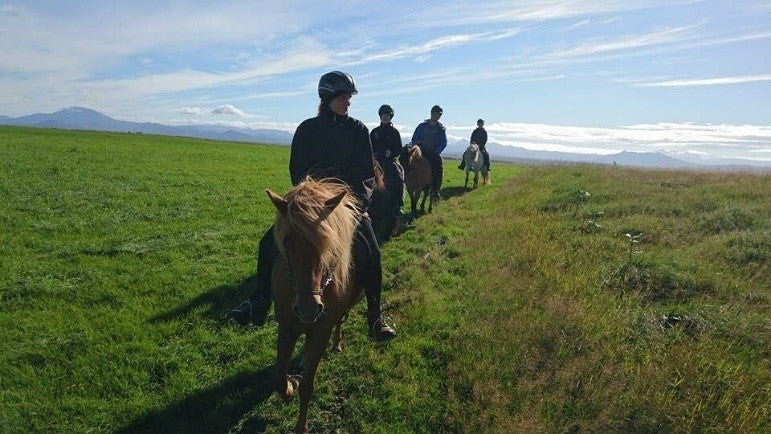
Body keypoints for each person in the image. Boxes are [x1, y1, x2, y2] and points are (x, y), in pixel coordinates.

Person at [229, 71, 397, 342]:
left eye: (349, 97)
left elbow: (366, 174)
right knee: (267, 243)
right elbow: (298, 170)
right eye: (343, 97)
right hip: (312, 207)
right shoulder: (307, 129)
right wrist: (308, 201)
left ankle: (375, 317)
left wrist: (356, 205)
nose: (348, 102)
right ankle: (258, 301)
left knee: (372, 252)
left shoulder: (358, 130)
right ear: (327, 97)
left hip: (348, 207)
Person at [370, 104, 404, 230]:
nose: (385, 117)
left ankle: (397, 204)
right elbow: (369, 147)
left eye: (387, 115)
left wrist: (391, 153)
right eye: (383, 115)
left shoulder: (394, 132)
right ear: (380, 116)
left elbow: (399, 149)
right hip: (376, 162)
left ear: (391, 117)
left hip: (389, 162)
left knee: (398, 178)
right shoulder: (374, 132)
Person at [410, 105, 447, 198]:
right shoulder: (422, 126)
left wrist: (436, 152)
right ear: (431, 113)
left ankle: (436, 189)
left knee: (438, 166)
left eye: (439, 115)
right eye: (435, 114)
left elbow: (443, 142)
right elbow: (414, 138)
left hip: (433, 153)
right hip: (420, 151)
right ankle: (407, 182)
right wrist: (416, 146)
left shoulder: (441, 129)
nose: (437, 116)